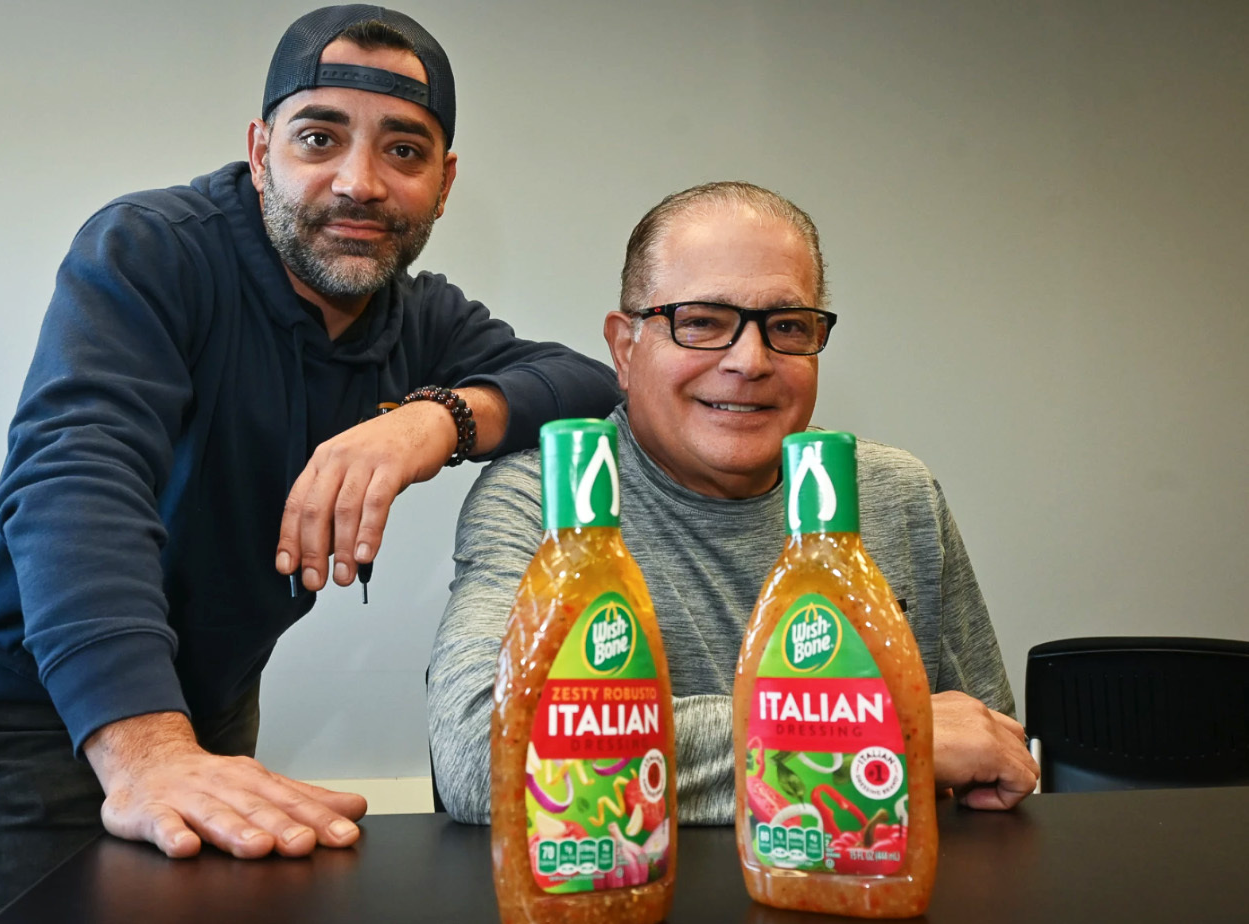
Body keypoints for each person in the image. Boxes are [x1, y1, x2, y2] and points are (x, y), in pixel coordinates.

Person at [0, 5, 620, 910]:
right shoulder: (150, 250)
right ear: (261, 150)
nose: (360, 182)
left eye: (404, 152)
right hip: (54, 694)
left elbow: (582, 383)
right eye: (318, 138)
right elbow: (77, 475)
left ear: (444, 183)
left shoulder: (415, 317)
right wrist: (148, 749)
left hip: (216, 683)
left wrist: (432, 419)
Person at [428, 181, 1038, 826]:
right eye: (700, 323)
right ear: (624, 348)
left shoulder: (894, 493)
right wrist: (881, 729)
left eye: (787, 327)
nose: (750, 360)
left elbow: (987, 754)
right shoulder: (550, 498)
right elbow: (481, 753)